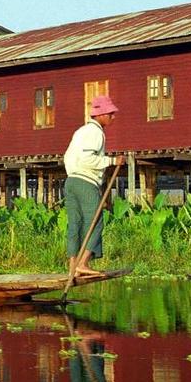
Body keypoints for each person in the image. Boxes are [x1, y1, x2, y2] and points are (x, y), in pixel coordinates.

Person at [63, 95, 124, 277]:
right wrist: (112, 160)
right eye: (110, 114)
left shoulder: (80, 131)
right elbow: (87, 158)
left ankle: (73, 267)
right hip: (85, 182)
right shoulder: (96, 133)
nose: (112, 117)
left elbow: (68, 156)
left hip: (71, 181)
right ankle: (83, 263)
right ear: (101, 115)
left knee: (75, 223)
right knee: (95, 221)